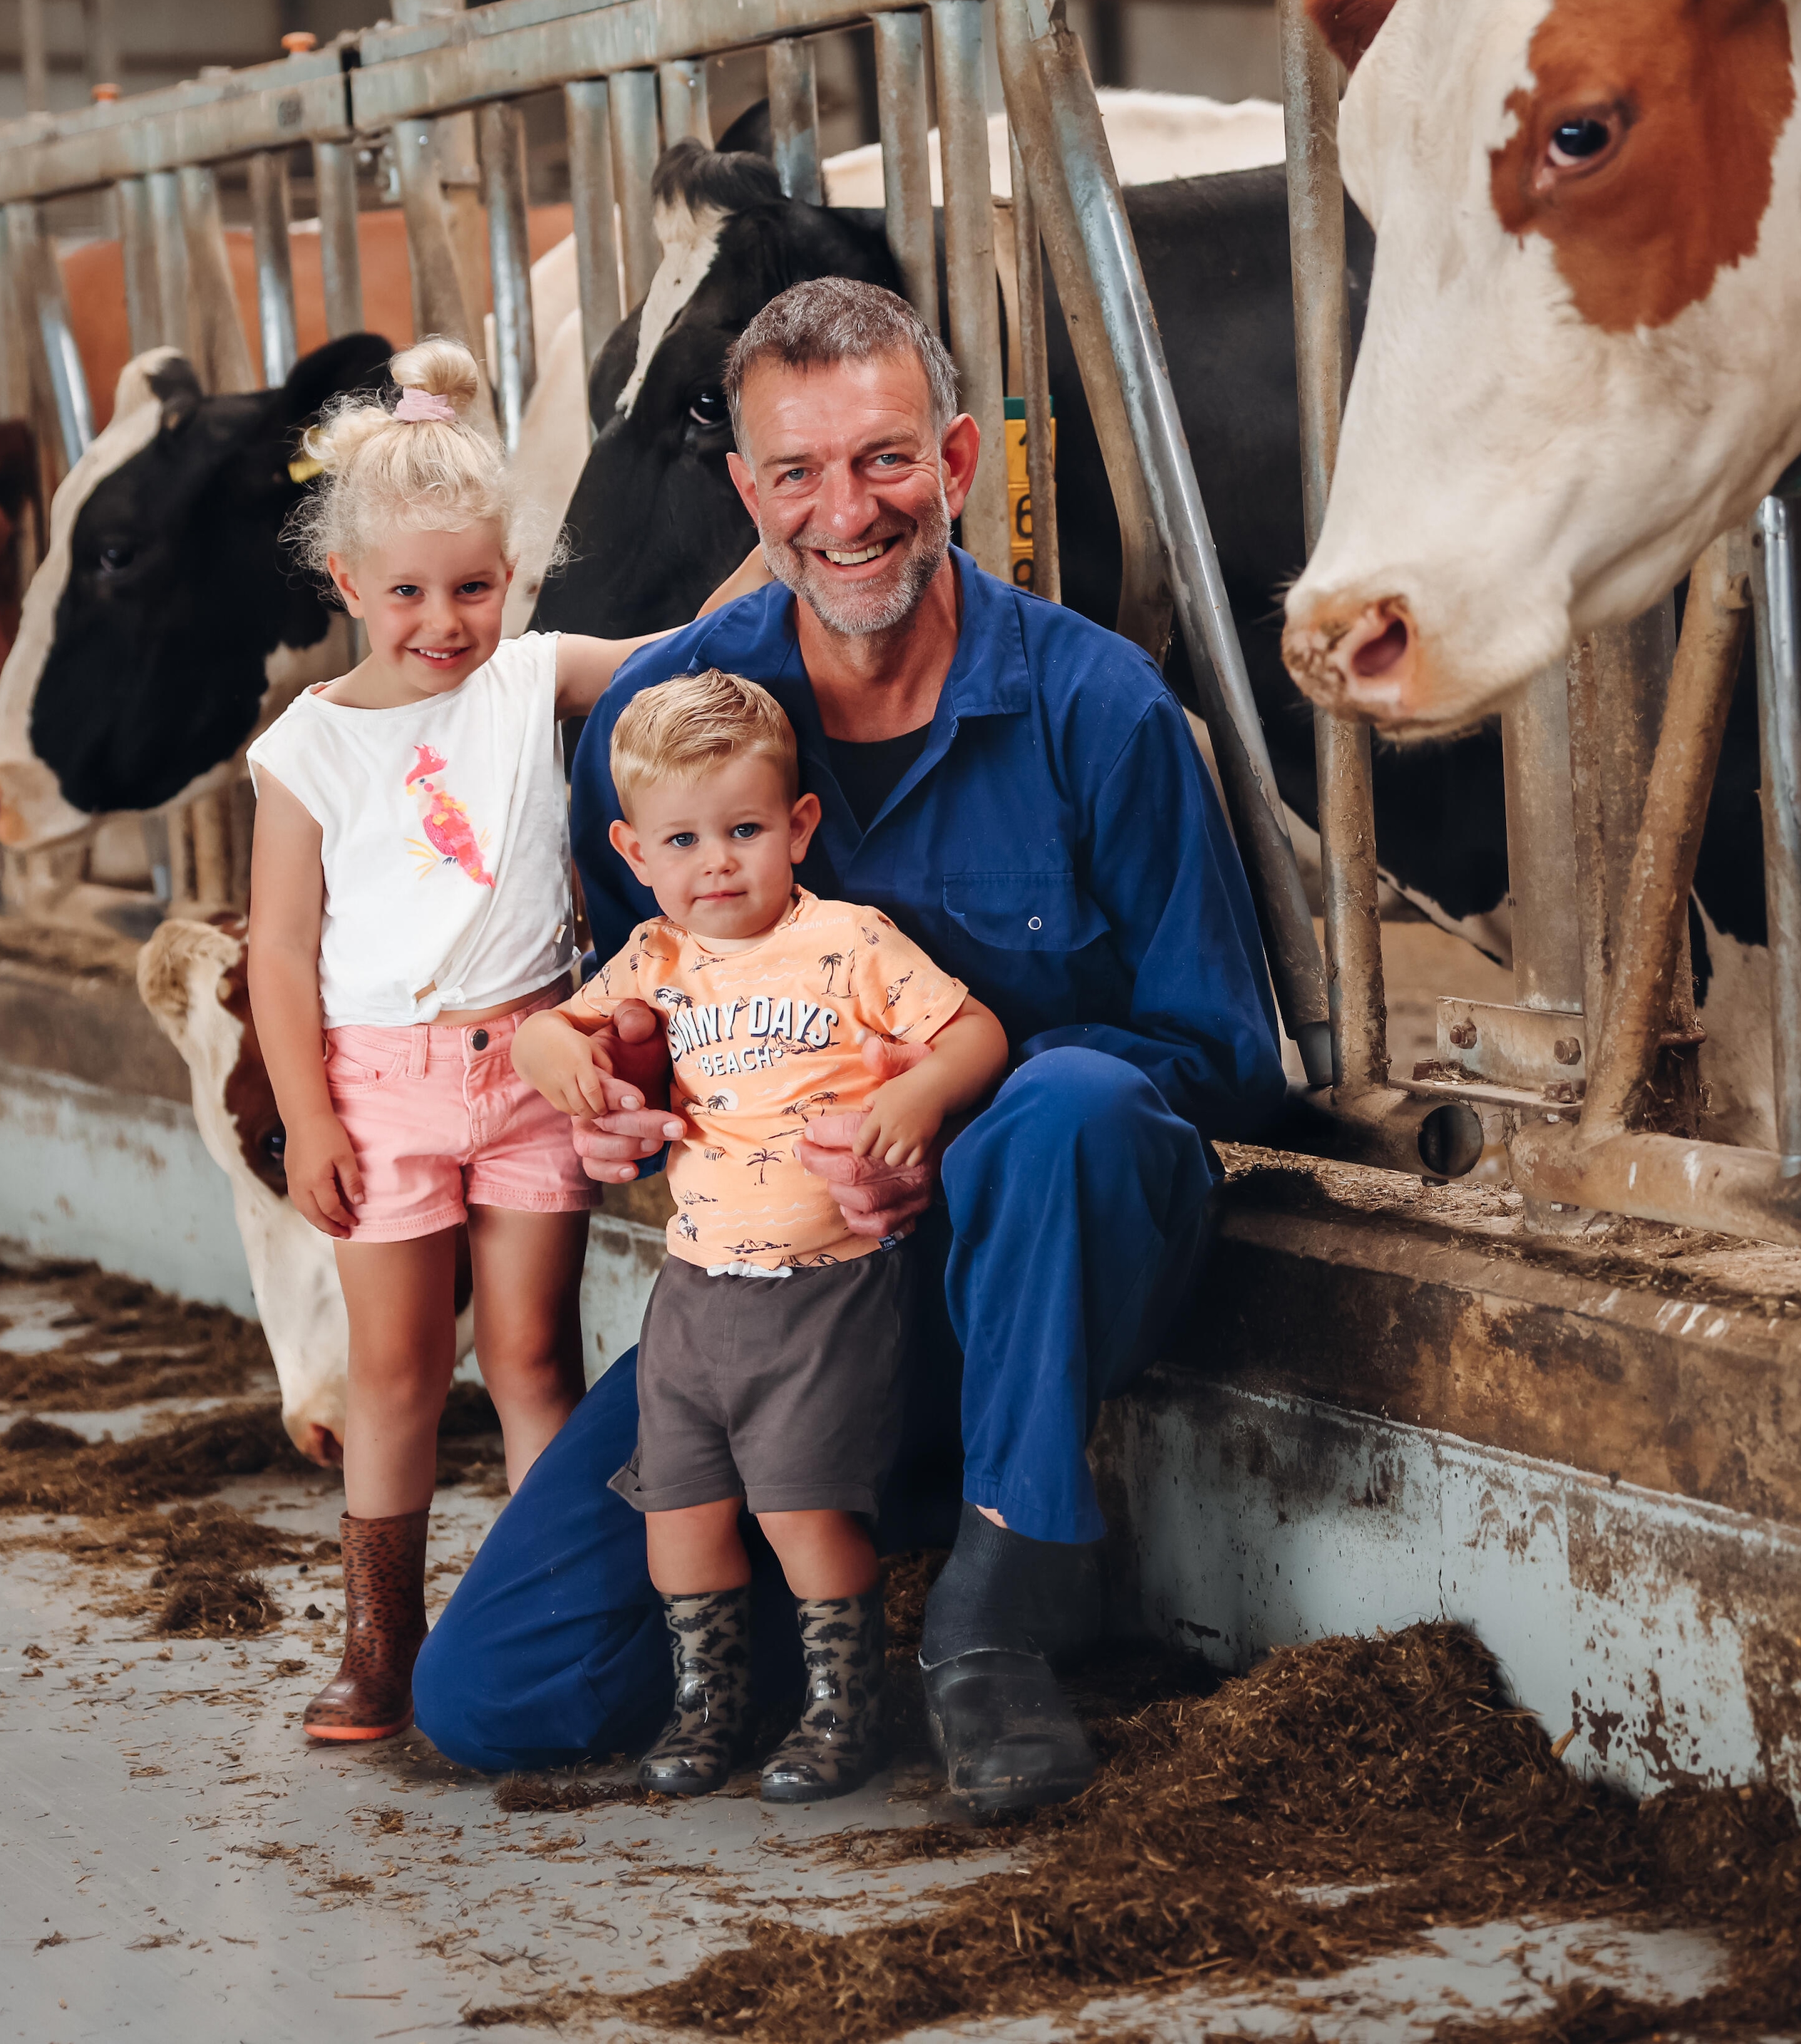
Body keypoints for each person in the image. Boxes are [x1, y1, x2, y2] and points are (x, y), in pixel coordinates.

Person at [409, 279, 1284, 1818]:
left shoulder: (1097, 707)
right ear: (748, 493)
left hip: (1030, 1267)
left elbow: (1216, 1052)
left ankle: (996, 1607)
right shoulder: (680, 725)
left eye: (884, 459)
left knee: (1067, 1103)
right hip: (773, 1306)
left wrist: (946, 1122)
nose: (846, 511)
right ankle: (851, 1542)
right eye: (796, 473)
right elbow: (633, 1004)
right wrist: (618, 1099)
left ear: (956, 460)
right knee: (497, 1694)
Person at [243, 336, 662, 1745]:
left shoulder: (529, 675)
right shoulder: (307, 748)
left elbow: (686, 659)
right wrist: (308, 1116)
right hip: (379, 1085)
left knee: (536, 1350)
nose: (443, 619)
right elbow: (280, 949)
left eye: (472, 585)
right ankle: (380, 1638)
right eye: (408, 590)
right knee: (399, 1365)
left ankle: (540, 1613)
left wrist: (791, 563)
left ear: (510, 576)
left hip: (535, 1068)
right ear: (349, 584)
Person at [515, 669, 1009, 1802]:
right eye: (682, 840)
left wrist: (921, 1093)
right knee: (679, 1515)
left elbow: (977, 1030)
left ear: (798, 827)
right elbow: (553, 1028)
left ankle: (847, 1706)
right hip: (692, 1291)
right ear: (634, 852)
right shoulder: (654, 957)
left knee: (800, 1509)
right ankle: (711, 1708)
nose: (717, 862)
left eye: (744, 829)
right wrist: (556, 1054)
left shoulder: (847, 940)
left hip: (821, 1288)